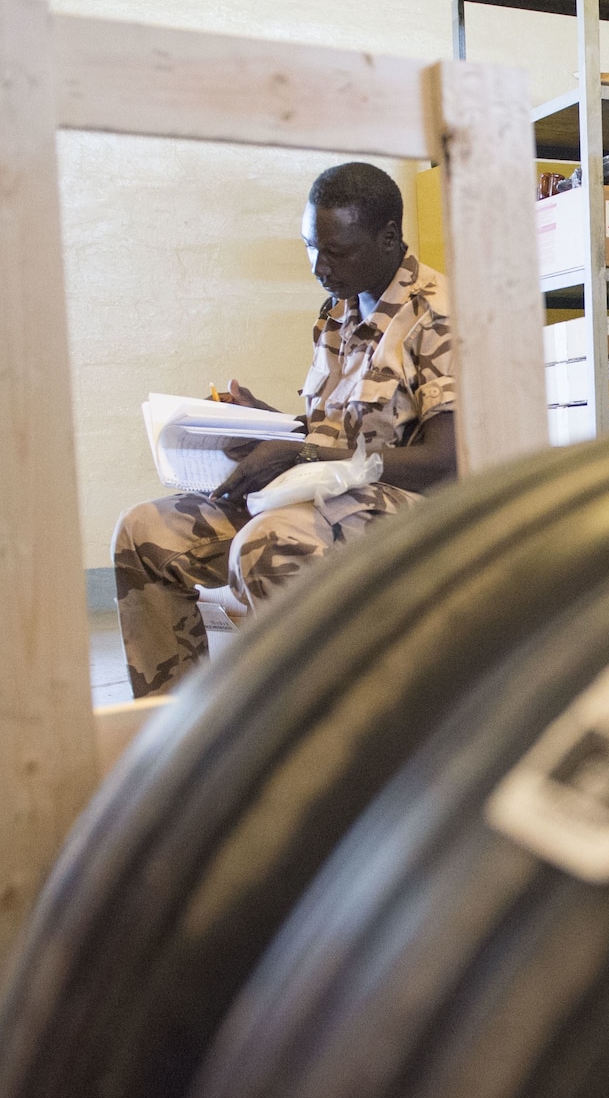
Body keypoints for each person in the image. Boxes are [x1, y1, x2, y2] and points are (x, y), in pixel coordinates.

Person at [111, 162, 457, 698]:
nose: (319, 266)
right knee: (144, 533)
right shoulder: (338, 312)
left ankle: (293, 737)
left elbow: (448, 461)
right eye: (310, 247)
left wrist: (304, 461)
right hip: (316, 494)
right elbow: (330, 429)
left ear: (389, 238)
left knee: (267, 546)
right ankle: (173, 731)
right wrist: (259, 424)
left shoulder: (438, 315)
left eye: (336, 251)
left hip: (408, 509)